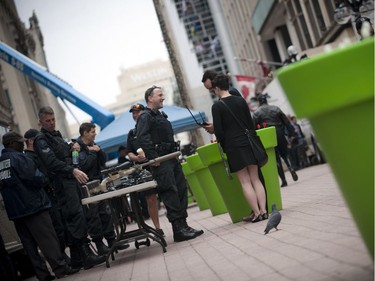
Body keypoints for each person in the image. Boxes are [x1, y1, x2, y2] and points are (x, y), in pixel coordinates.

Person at [33, 106, 106, 270]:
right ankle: (86, 256)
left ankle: (77, 259)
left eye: (53, 120)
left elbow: (69, 158)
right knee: (75, 216)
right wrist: (72, 170)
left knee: (78, 215)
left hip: (70, 181)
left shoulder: (57, 136)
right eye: (47, 121)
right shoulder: (41, 139)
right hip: (62, 183)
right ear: (41, 122)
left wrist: (73, 149)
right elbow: (51, 163)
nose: (51, 123)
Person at [0, 131, 79, 280]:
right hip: (33, 206)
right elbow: (35, 178)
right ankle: (61, 269)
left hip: (16, 211)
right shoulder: (19, 157)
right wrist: (44, 178)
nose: (22, 143)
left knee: (30, 247)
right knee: (48, 240)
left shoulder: (1, 162)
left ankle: (42, 274)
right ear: (11, 144)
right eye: (19, 141)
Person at [136, 86, 204, 242]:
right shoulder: (145, 117)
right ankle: (178, 230)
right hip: (161, 161)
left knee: (180, 191)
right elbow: (142, 138)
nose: (162, 97)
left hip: (171, 158)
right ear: (150, 98)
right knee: (170, 193)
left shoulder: (160, 115)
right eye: (159, 95)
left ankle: (184, 225)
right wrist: (154, 158)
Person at [203, 74, 268, 223]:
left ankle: (257, 212)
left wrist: (225, 146)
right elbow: (250, 123)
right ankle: (264, 210)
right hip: (248, 143)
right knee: (255, 179)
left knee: (245, 181)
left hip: (234, 147)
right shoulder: (241, 101)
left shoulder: (217, 106)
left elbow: (219, 131)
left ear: (218, 87)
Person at [76, 122, 129, 255]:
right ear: (85, 133)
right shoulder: (75, 148)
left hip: (99, 183)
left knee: (105, 213)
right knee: (94, 216)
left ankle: (112, 242)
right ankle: (100, 245)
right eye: (93, 132)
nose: (95, 135)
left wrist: (98, 151)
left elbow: (103, 161)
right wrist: (93, 153)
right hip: (87, 186)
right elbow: (83, 164)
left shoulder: (94, 146)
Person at [24, 128, 70, 264]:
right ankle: (61, 259)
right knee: (56, 230)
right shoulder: (29, 158)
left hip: (49, 196)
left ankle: (63, 258)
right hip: (44, 198)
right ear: (31, 141)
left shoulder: (35, 156)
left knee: (59, 228)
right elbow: (38, 178)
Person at [126, 103, 163, 236]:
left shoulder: (152, 126)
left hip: (159, 164)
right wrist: (136, 158)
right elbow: (129, 152)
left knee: (167, 193)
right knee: (151, 198)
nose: (135, 115)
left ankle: (177, 223)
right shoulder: (132, 133)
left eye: (137, 112)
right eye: (133, 113)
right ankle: (158, 228)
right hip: (145, 170)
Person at [253, 94, 298, 187]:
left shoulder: (257, 113)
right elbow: (287, 122)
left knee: (275, 158)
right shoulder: (276, 108)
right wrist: (292, 134)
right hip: (279, 132)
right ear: (266, 100)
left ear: (259, 102)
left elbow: (254, 128)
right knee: (285, 154)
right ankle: (290, 167)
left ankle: (284, 180)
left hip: (268, 136)